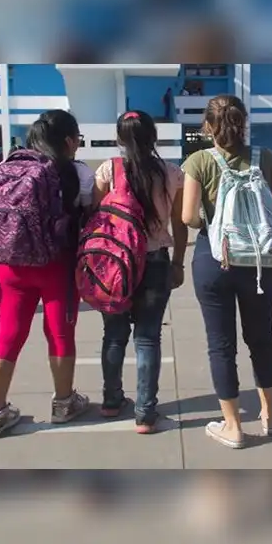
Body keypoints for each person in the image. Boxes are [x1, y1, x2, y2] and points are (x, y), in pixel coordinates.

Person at [180, 94, 272, 449]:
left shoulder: (199, 161)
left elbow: (187, 216)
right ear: (243, 122)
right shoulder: (266, 158)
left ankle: (232, 426)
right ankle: (269, 416)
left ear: (207, 126)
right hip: (257, 262)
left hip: (214, 260)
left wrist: (216, 224)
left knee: (221, 345)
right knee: (261, 340)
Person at [0, 109, 91, 439]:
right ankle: (64, 404)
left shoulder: (4, 166)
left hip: (9, 265)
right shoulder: (75, 172)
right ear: (70, 141)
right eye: (78, 140)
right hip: (56, 264)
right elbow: (90, 212)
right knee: (59, 333)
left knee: (8, 333)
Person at [89, 110, 187, 434]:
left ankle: (111, 400)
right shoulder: (171, 173)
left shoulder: (108, 170)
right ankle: (145, 413)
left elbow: (95, 219)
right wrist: (177, 263)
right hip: (155, 262)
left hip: (114, 266)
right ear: (153, 138)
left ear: (119, 139)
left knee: (114, 334)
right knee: (147, 339)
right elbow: (179, 223)